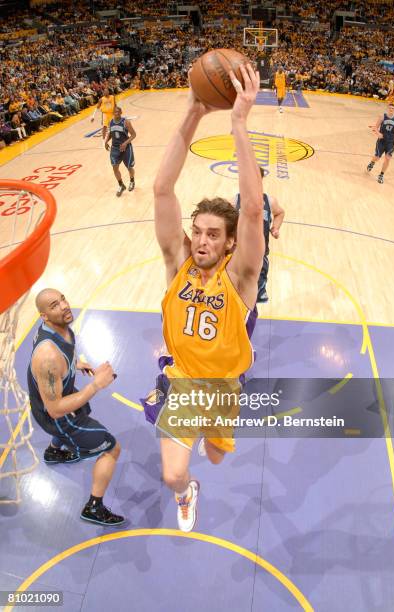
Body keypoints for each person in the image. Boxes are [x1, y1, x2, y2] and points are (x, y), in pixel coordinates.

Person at [142, 64, 264, 532]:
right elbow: (161, 189)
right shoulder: (178, 263)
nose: (201, 240)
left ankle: (203, 462)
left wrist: (238, 123)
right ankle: (185, 491)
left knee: (215, 457)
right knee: (174, 471)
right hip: (183, 381)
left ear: (230, 243)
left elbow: (252, 210)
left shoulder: (240, 279)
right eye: (197, 232)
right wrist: (194, 112)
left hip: (222, 389)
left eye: (213, 234)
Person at [27, 289, 124, 526]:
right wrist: (96, 385)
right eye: (54, 305)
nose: (63, 306)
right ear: (44, 316)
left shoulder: (60, 329)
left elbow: (63, 357)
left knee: (82, 408)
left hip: (55, 398)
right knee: (112, 448)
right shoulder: (48, 357)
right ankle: (94, 507)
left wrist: (75, 364)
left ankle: (53, 451)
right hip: (54, 414)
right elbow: (56, 410)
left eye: (63, 299)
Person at [234, 166, 285, 303]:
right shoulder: (235, 201)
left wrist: (275, 228)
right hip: (237, 256)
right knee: (235, 294)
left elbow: (280, 213)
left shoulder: (269, 201)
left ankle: (249, 320)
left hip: (260, 257)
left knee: (255, 298)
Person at [104, 106, 136, 197]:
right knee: (115, 168)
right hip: (115, 149)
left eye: (118, 112)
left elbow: (133, 134)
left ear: (121, 112)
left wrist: (125, 143)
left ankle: (132, 180)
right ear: (113, 113)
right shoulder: (111, 122)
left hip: (126, 148)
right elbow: (110, 134)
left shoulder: (126, 122)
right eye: (115, 112)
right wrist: (106, 142)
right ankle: (121, 185)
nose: (116, 113)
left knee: (129, 167)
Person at [367, 102, 394, 183]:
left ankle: (381, 175)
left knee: (388, 159)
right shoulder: (382, 117)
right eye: (390, 108)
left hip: (391, 142)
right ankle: (372, 163)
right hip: (382, 141)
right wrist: (378, 133)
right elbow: (375, 127)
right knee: (377, 157)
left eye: (393, 109)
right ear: (388, 109)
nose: (391, 110)